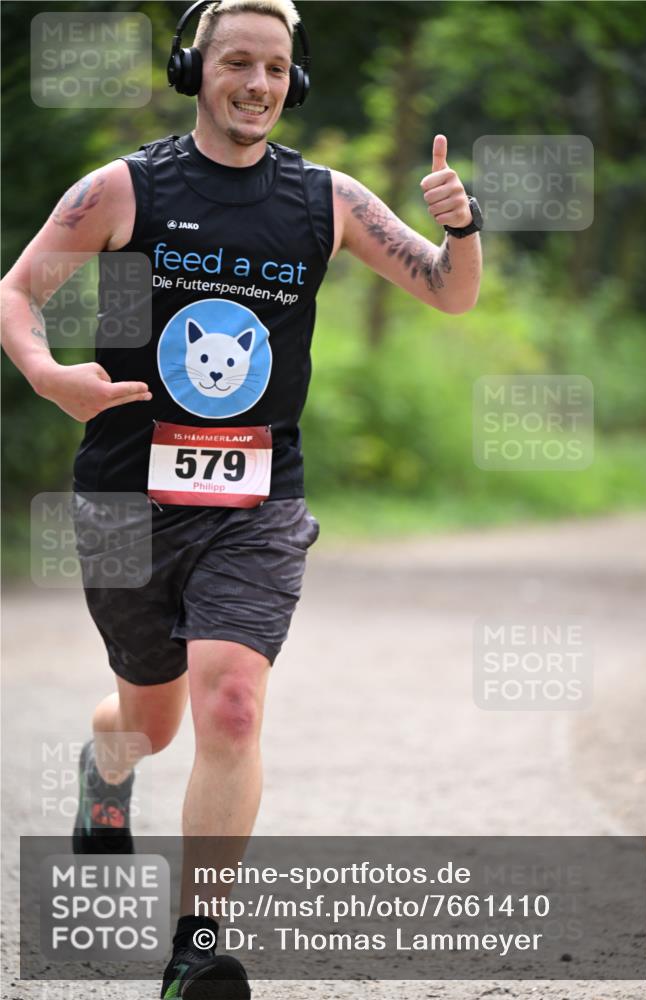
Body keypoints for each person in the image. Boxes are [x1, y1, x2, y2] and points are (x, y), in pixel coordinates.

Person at [0, 0, 482, 995]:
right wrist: (51, 376)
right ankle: (108, 767)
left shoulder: (326, 201)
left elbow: (449, 289)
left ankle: (197, 946)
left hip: (258, 497)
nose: (257, 83)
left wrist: (460, 224)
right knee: (152, 716)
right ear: (197, 68)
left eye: (275, 66)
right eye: (236, 63)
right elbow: (17, 294)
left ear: (293, 80)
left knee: (227, 703)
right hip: (127, 496)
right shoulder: (124, 190)